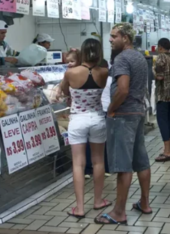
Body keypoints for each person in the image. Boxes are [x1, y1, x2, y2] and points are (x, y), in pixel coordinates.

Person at [96, 23, 152, 225]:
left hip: (123, 115)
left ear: (125, 38)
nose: (110, 40)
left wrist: (111, 109)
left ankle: (119, 212)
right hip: (137, 113)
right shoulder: (139, 57)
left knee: (123, 165)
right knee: (141, 161)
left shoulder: (121, 58)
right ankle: (144, 203)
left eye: (114, 36)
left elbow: (123, 89)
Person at [60, 39, 111, 218]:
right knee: (98, 162)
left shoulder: (70, 72)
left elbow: (63, 92)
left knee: (78, 164)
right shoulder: (104, 72)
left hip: (77, 120)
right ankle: (98, 201)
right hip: (97, 118)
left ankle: (80, 208)